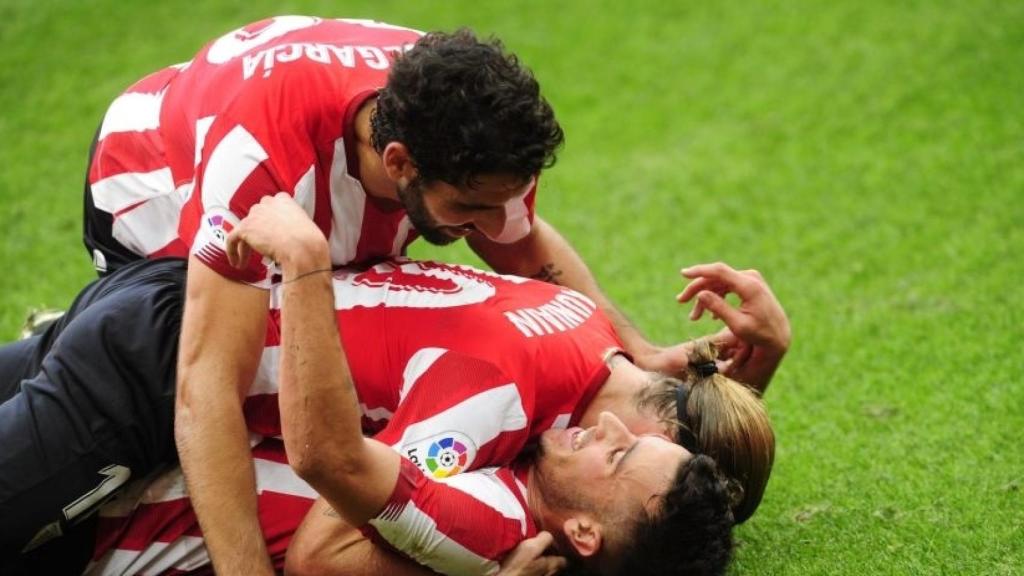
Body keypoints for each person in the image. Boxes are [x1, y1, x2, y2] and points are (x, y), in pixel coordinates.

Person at [78, 15, 694, 573]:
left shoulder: (467, 118)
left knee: (312, 341)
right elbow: (206, 386)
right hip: (149, 206)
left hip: (302, 195)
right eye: (472, 208)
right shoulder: (259, 165)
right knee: (200, 380)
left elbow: (519, 237)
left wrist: (635, 345)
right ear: (398, 163)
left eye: (514, 197)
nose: (497, 226)